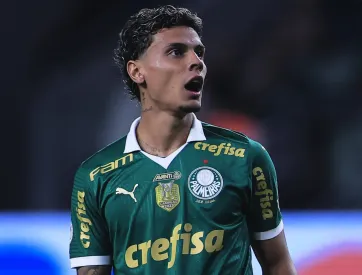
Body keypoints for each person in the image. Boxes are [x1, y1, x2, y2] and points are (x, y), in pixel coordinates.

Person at [69, 5, 296, 275]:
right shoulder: (95, 176)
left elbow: (277, 263)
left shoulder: (245, 156)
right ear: (137, 71)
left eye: (199, 52)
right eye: (176, 52)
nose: (196, 62)